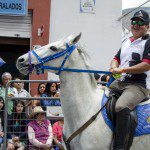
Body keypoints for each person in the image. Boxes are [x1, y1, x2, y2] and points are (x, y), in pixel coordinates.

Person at [109, 10, 150, 150]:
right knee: (99, 97)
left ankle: (120, 146)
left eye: (140, 22)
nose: (136, 25)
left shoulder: (149, 41)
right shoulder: (126, 41)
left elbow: (146, 65)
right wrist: (113, 67)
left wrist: (122, 70)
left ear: (148, 26)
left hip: (138, 86)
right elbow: (116, 59)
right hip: (120, 82)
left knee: (121, 106)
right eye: (134, 22)